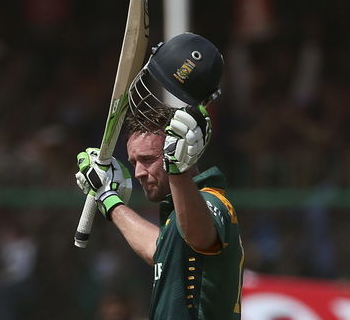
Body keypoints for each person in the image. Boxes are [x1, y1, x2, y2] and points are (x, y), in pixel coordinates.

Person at [76, 33, 244, 319]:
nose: (139, 172)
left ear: (180, 151)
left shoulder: (213, 203)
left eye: (149, 159)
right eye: (133, 161)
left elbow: (199, 236)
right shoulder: (179, 221)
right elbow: (161, 249)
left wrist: (176, 168)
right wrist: (109, 200)